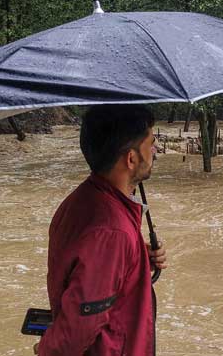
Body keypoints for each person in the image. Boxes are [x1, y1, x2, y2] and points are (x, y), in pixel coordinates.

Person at [36, 105, 167, 355]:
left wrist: (138, 257)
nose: (155, 149)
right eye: (151, 143)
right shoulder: (111, 232)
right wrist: (45, 348)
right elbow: (79, 326)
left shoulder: (85, 199)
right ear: (131, 159)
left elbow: (93, 275)